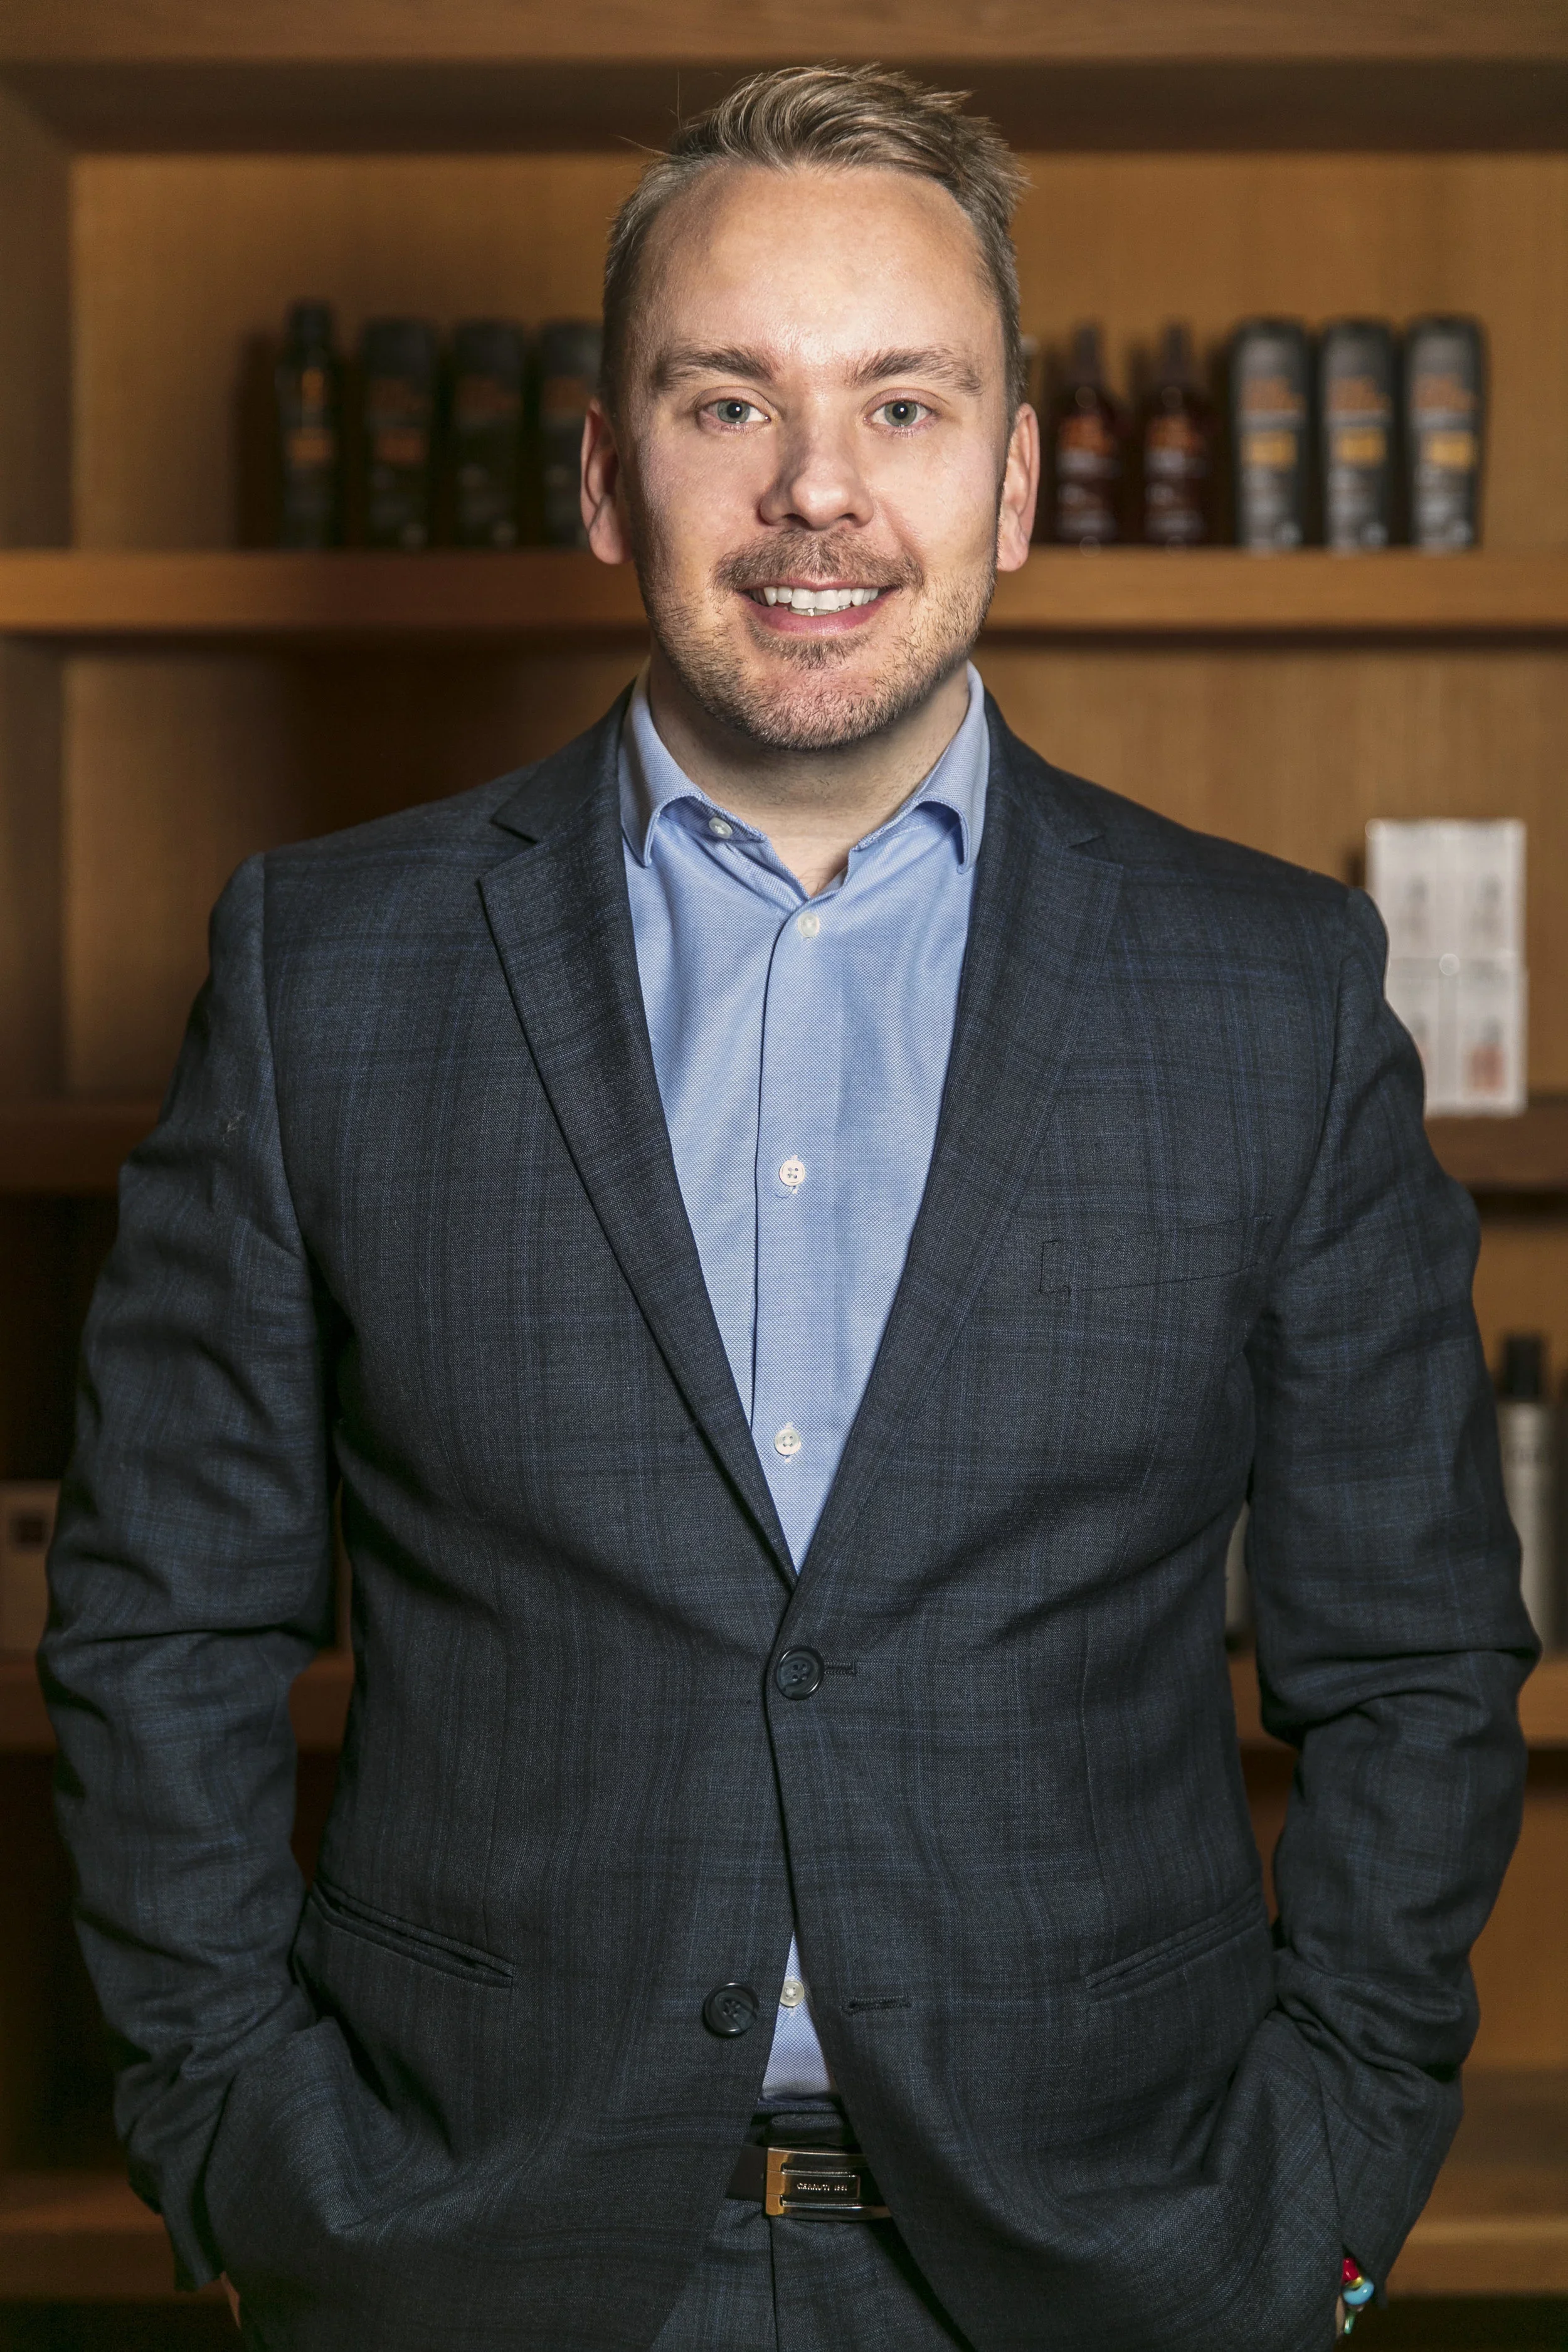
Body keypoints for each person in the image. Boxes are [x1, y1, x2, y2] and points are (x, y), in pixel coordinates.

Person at [43, 65, 1533, 2352]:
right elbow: (161, 1629)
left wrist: (1316, 2197)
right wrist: (247, 2153)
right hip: (463, 2264)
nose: (816, 490)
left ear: (1016, 479)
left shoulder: (1276, 990)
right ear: (603, 473)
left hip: (1105, 2273)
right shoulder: (316, 967)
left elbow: (1416, 1660)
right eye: (726, 398)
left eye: (904, 403)